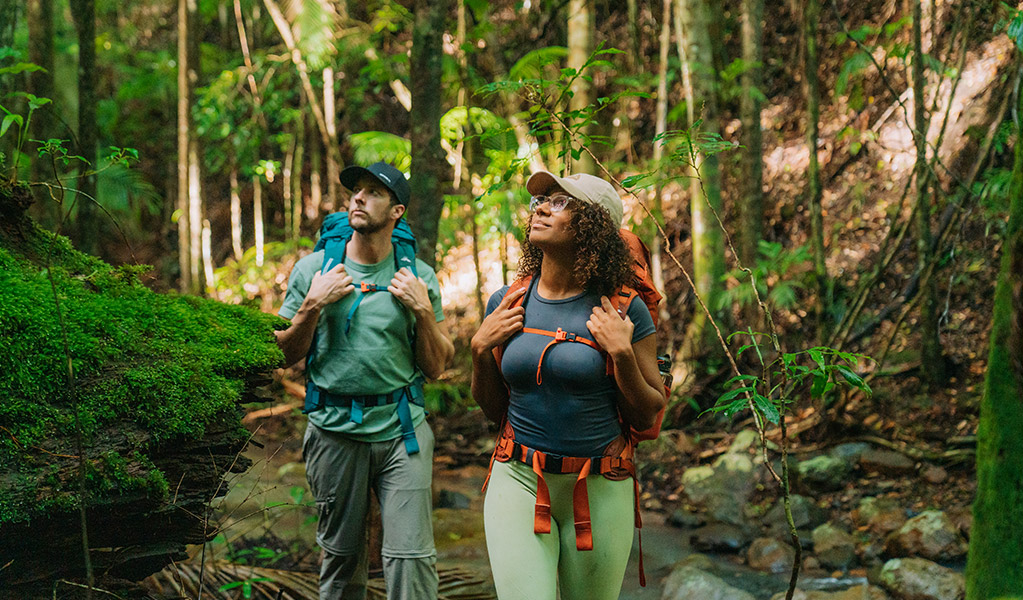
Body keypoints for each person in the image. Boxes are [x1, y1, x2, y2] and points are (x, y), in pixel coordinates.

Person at [470, 171, 667, 600]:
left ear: (594, 225)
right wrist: (479, 350)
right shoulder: (508, 301)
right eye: (541, 201)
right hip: (518, 476)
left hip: (599, 483)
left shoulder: (623, 309)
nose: (540, 207)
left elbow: (648, 411)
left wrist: (623, 356)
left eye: (560, 203)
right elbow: (491, 409)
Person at [275, 161, 454, 600]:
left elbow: (436, 366)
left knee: (411, 560)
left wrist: (423, 311)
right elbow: (283, 355)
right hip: (333, 430)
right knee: (341, 557)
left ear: (396, 212)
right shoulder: (313, 270)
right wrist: (311, 306)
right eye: (356, 189)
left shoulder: (417, 276)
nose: (358, 197)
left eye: (373, 192)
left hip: (402, 430)